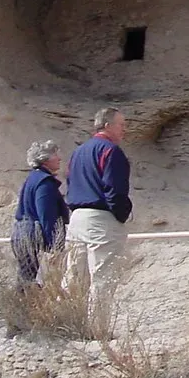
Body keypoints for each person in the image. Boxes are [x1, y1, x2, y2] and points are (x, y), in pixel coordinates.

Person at [64, 107, 132, 314]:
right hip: (99, 218)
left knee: (74, 275)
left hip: (76, 218)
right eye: (121, 125)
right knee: (102, 276)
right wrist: (122, 214)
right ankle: (97, 329)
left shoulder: (78, 152)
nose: (124, 130)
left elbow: (70, 182)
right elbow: (114, 189)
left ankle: (69, 322)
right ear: (108, 125)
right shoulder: (110, 151)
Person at [11, 140, 68, 285]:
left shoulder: (32, 178)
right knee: (31, 283)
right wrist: (54, 247)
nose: (59, 158)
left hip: (22, 233)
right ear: (45, 159)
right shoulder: (44, 182)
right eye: (55, 154)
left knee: (26, 279)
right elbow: (47, 216)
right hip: (32, 236)